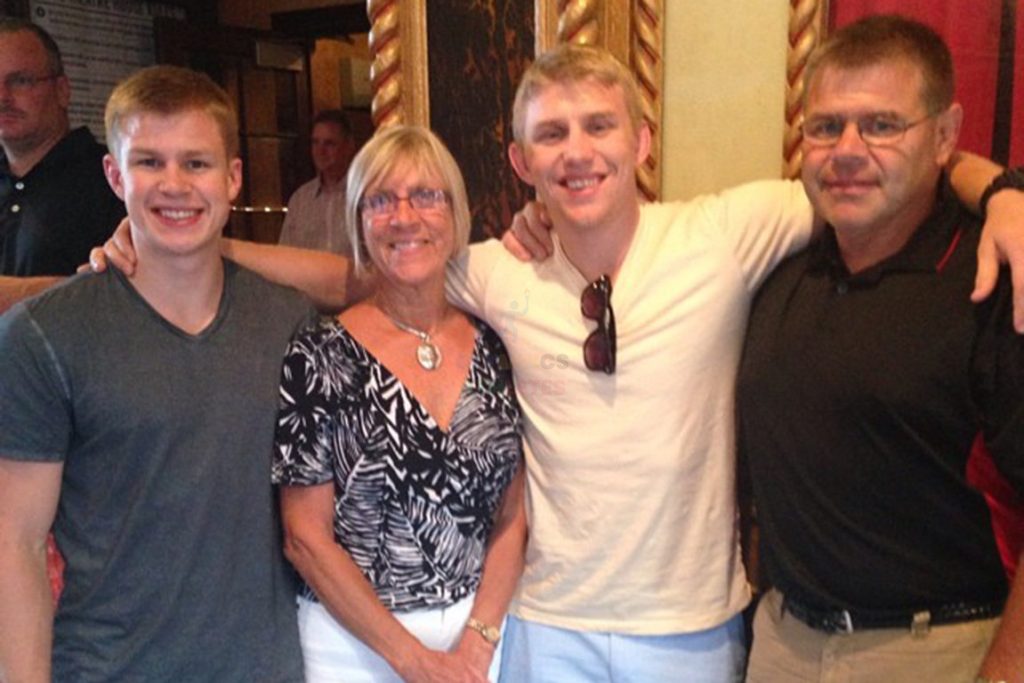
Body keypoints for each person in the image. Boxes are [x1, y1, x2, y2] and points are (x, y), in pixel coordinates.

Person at [93, 45, 1024, 682]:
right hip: (544, 623)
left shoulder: (730, 231)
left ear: (641, 140)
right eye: (551, 135)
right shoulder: (495, 270)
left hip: (690, 625)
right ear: (520, 159)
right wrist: (181, 243)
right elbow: (358, 269)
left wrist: (1006, 192)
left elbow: (876, 161)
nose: (577, 152)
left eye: (598, 127)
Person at [736, 16, 1024, 682]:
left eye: (883, 125)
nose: (848, 149)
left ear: (946, 136)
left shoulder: (994, 274)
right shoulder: (777, 262)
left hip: (939, 650)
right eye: (826, 126)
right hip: (782, 643)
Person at [0, 65, 310, 682]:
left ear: (233, 177)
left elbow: (379, 278)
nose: (174, 185)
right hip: (110, 668)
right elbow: (16, 547)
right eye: (149, 162)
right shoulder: (43, 336)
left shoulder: (288, 323)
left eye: (196, 163)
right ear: (115, 175)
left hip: (263, 669)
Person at [273, 124, 525, 683]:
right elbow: (305, 538)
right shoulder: (318, 355)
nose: (404, 217)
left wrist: (477, 645)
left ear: (455, 214)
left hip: (478, 638)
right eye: (381, 200)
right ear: (359, 223)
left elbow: (513, 516)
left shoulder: (495, 346)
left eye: (426, 196)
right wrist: (415, 661)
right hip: (353, 648)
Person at [0, 19, 124, 277]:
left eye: (20, 81)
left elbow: (135, 293)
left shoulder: (113, 179)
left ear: (62, 91)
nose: (2, 97)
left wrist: (16, 295)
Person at [278, 109, 356, 254]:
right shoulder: (300, 200)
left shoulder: (364, 197)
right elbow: (285, 255)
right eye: (315, 143)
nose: (320, 151)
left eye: (329, 144)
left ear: (348, 146)